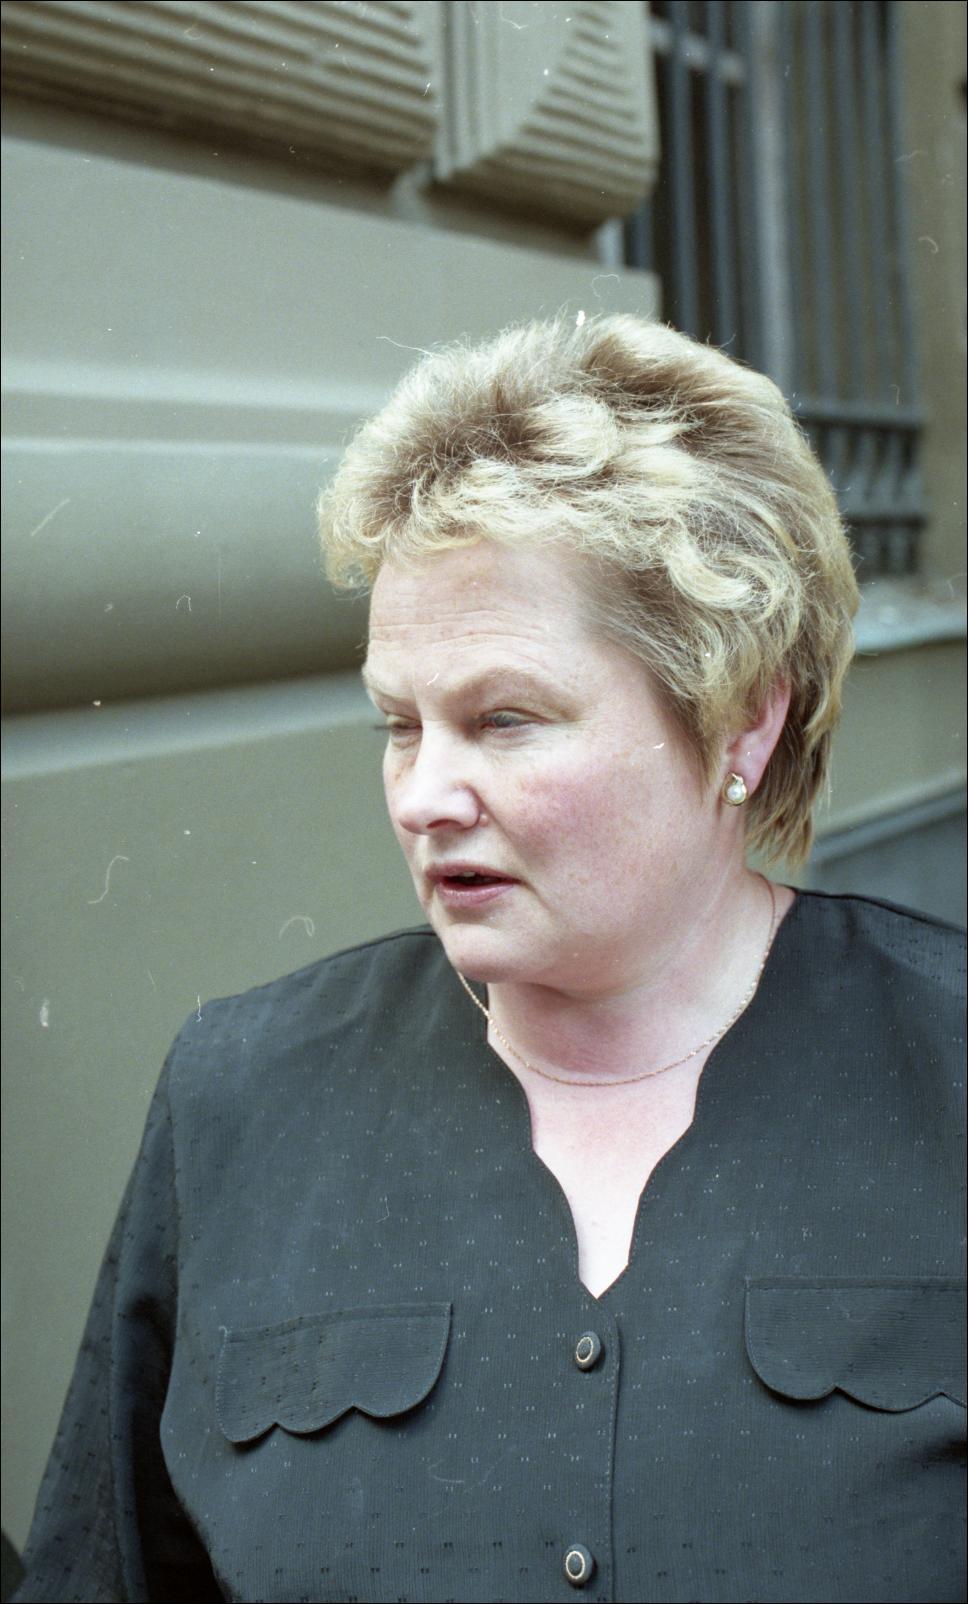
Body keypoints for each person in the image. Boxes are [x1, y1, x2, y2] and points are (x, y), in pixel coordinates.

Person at [14, 316, 965, 1604]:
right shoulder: (241, 1094)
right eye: (400, 724)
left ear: (744, 717)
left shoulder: (947, 1067)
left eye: (505, 719)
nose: (424, 796)